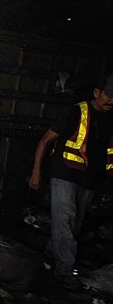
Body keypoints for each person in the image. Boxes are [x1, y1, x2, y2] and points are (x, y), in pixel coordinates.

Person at [29, 75, 113, 290]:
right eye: (108, 96)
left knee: (73, 225)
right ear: (96, 92)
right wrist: (36, 173)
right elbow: (45, 141)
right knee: (66, 220)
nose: (111, 101)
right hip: (64, 174)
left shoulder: (111, 118)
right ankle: (64, 272)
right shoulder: (74, 112)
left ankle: (50, 255)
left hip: (90, 179)